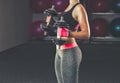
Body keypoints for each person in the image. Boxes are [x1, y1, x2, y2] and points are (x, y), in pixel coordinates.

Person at [43, 0, 90, 83]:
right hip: (59, 52)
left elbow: (86, 34)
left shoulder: (79, 8)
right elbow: (64, 25)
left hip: (70, 52)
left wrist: (68, 33)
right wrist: (54, 17)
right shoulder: (69, 6)